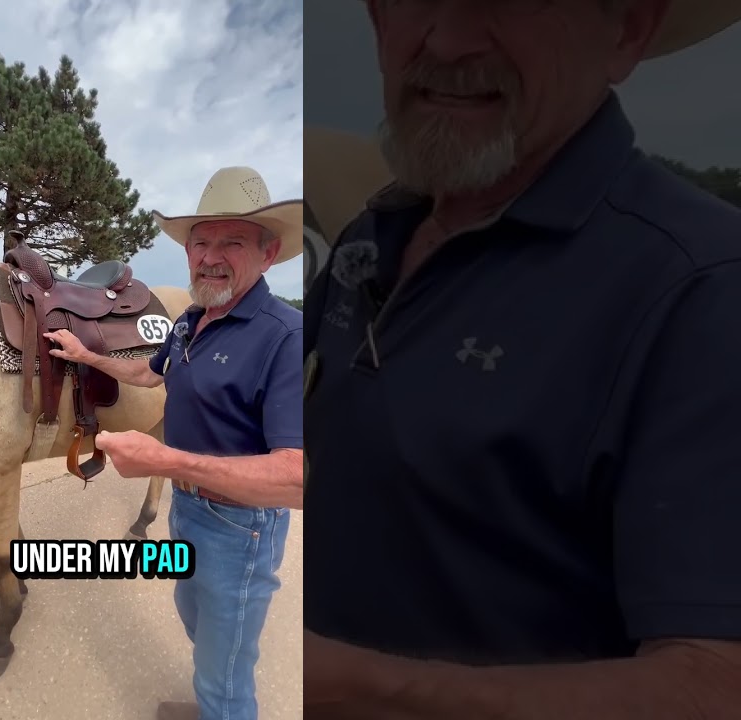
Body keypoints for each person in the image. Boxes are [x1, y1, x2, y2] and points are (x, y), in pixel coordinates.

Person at [303, 0, 741, 717]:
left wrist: (350, 688)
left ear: (626, 29)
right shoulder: (373, 232)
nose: (444, 40)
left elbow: (717, 685)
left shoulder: (703, 289)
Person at [45, 166, 304, 720]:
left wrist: (163, 459)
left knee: (224, 682)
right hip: (186, 511)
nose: (210, 255)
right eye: (200, 241)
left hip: (241, 528)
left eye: (231, 241)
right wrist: (88, 357)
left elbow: (298, 479)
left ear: (269, 251)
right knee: (194, 618)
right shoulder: (193, 319)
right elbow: (151, 373)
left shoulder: (285, 337)